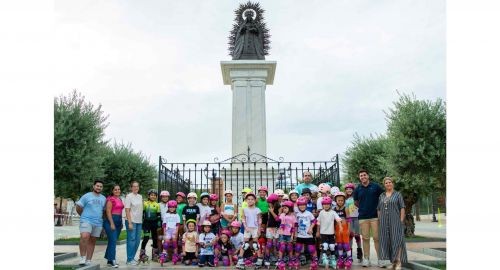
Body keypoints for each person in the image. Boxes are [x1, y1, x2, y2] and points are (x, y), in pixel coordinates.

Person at [352, 169, 385, 267]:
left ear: (368, 176)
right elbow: (356, 202)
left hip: (375, 216)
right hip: (363, 217)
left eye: (364, 175)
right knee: (365, 238)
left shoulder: (376, 187)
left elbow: (383, 198)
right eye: (361, 175)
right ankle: (366, 259)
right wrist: (363, 208)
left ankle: (380, 259)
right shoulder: (357, 189)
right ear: (359, 177)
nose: (363, 177)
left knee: (377, 238)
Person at [377, 177, 408, 270]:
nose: (388, 184)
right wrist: (380, 220)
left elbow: (402, 208)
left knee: (397, 240)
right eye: (386, 183)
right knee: (388, 241)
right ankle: (393, 262)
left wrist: (401, 220)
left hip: (395, 221)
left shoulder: (397, 195)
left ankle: (398, 261)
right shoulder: (381, 195)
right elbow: (378, 209)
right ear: (384, 185)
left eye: (389, 182)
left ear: (392, 183)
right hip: (384, 222)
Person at [76, 180, 106, 266]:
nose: (99, 187)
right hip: (86, 220)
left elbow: (104, 211)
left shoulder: (103, 198)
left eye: (100, 186)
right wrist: (83, 216)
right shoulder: (86, 196)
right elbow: (78, 206)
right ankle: (82, 257)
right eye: (97, 186)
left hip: (98, 223)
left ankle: (89, 260)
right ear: (93, 186)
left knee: (92, 241)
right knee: (84, 236)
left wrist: (101, 219)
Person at [237, 192, 264, 268]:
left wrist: (259, 229)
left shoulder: (257, 209)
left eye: (252, 199)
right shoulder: (244, 209)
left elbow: (259, 220)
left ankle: (259, 260)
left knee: (255, 245)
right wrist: (245, 227)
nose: (250, 200)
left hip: (255, 228)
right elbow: (243, 219)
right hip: (247, 228)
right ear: (246, 200)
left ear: (255, 200)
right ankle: (240, 261)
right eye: (248, 199)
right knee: (245, 244)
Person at [316, 196, 342, 268]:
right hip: (323, 233)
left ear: (330, 205)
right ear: (322, 205)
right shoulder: (321, 212)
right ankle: (324, 258)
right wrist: (318, 231)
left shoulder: (333, 212)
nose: (326, 205)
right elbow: (318, 222)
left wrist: (340, 227)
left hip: (331, 233)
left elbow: (338, 219)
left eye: (328, 204)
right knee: (325, 245)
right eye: (324, 204)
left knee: (332, 246)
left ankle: (333, 259)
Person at [103, 184, 124, 268]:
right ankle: (113, 260)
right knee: (113, 241)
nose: (117, 191)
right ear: (112, 191)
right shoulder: (110, 199)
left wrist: (121, 222)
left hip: (118, 221)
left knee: (112, 241)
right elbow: (108, 212)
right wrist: (111, 223)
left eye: (119, 189)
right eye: (115, 189)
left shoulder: (120, 199)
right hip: (110, 221)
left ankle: (109, 259)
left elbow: (120, 211)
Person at [294, 196, 318, 270]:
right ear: (298, 206)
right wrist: (295, 233)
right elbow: (295, 224)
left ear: (306, 205)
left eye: (303, 205)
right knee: (298, 249)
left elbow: (314, 221)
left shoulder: (309, 213)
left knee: (311, 249)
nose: (302, 206)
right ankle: (296, 261)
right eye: (300, 205)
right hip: (299, 235)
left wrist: (311, 228)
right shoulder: (297, 214)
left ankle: (315, 261)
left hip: (308, 235)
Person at [124, 180, 143, 266]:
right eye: (134, 186)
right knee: (131, 240)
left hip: (139, 221)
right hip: (131, 221)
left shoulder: (140, 196)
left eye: (137, 186)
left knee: (137, 240)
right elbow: (127, 210)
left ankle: (132, 257)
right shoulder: (129, 196)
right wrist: (130, 222)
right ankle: (129, 259)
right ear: (131, 188)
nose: (136, 188)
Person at [275, 200, 297, 270]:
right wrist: (279, 212)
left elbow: (294, 227)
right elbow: (277, 219)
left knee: (290, 248)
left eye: (285, 208)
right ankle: (280, 260)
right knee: (282, 247)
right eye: (283, 208)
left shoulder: (293, 217)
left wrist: (293, 236)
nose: (284, 209)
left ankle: (290, 260)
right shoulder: (282, 215)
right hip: (282, 234)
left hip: (289, 234)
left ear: (290, 208)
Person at [333, 192, 352, 270]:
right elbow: (333, 221)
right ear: (336, 201)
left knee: (346, 245)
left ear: (344, 201)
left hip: (345, 228)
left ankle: (349, 259)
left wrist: (349, 229)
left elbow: (349, 220)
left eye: (341, 200)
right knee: (339, 245)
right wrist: (334, 230)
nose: (340, 201)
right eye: (338, 200)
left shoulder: (346, 208)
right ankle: (340, 258)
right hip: (337, 229)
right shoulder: (334, 209)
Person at [344, 182, 362, 262]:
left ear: (353, 190)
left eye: (350, 189)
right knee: (350, 235)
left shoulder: (356, 197)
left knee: (357, 235)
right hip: (349, 219)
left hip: (357, 218)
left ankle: (359, 252)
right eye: (347, 189)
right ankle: (349, 254)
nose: (349, 190)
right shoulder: (345, 199)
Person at [160, 200, 181, 265]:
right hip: (167, 231)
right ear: (168, 207)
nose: (172, 208)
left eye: (173, 207)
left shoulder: (177, 215)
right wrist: (164, 232)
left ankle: (175, 255)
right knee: (166, 244)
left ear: (175, 208)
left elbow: (177, 225)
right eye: (170, 207)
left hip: (174, 231)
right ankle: (164, 255)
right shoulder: (166, 215)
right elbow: (164, 225)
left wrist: (176, 232)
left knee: (174, 243)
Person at [265, 193, 281, 266]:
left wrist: (272, 211)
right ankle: (267, 258)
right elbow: (269, 219)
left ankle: (277, 258)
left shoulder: (279, 207)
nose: (269, 204)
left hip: (277, 228)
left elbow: (278, 219)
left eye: (270, 203)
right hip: (270, 228)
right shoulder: (269, 207)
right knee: (269, 244)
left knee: (277, 244)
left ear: (274, 202)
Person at [158, 190, 170, 257]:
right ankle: (160, 252)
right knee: (160, 238)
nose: (165, 198)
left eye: (166, 197)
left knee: (167, 239)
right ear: (161, 197)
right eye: (163, 197)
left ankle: (166, 253)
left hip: (169, 224)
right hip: (161, 223)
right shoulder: (158, 204)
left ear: (168, 197)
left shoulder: (170, 204)